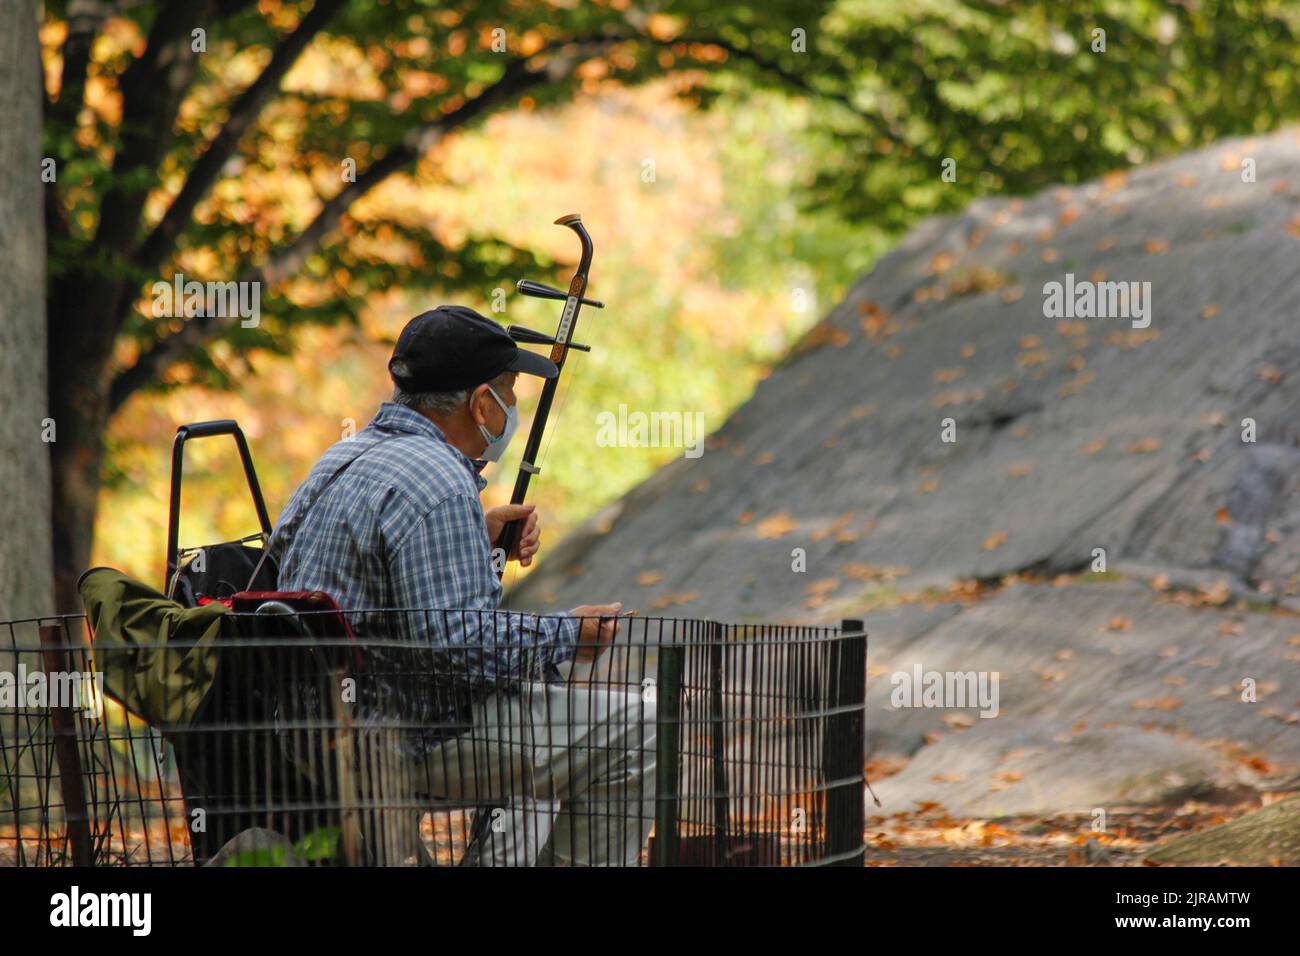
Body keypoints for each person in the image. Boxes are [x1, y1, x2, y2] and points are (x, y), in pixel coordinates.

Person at [268, 305, 656, 865]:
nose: (513, 410)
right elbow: (458, 648)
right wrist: (570, 636)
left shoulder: (340, 458)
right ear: (481, 403)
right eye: (509, 393)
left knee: (548, 739)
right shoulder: (441, 478)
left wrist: (475, 531)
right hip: (402, 737)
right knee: (636, 727)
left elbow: (306, 568)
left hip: (307, 726)